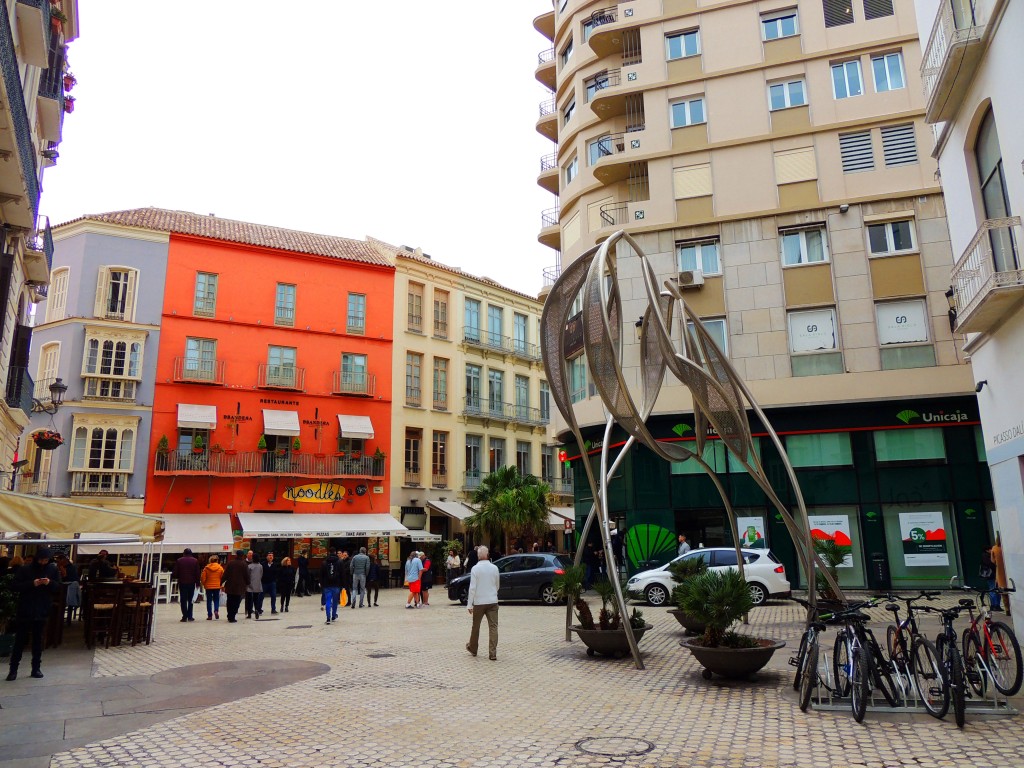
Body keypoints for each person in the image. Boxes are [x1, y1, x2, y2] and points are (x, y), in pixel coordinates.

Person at [6, 547, 60, 681]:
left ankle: (36, 668)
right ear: (37, 558)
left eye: (45, 560)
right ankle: (13, 670)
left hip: (42, 608)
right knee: (20, 640)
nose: (43, 563)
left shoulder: (52, 570)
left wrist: (49, 583)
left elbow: (58, 587)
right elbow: (14, 586)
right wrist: (32, 583)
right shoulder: (25, 569)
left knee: (37, 641)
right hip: (26, 608)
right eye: (41, 560)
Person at [465, 545, 500, 661]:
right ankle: (492, 653)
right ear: (488, 555)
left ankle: (473, 648)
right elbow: (497, 584)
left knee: (476, 626)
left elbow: (472, 588)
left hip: (479, 602)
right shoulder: (494, 568)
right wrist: (493, 593)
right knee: (493, 627)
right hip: (492, 601)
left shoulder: (475, 569)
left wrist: (470, 604)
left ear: (478, 556)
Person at [171, 548, 201, 622]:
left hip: (182, 582)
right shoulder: (195, 561)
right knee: (191, 599)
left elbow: (175, 573)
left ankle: (184, 616)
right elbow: (198, 573)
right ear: (191, 553)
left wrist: (178, 577)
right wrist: (198, 583)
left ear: (184, 553)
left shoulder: (179, 560)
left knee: (183, 599)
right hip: (191, 583)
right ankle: (190, 616)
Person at [223, 550, 249, 623]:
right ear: (243, 555)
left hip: (230, 586)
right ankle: (232, 616)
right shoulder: (244, 564)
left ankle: (229, 615)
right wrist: (248, 583)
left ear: (236, 555)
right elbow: (246, 575)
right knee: (236, 602)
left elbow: (226, 574)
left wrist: (221, 581)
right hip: (239, 587)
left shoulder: (230, 563)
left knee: (230, 601)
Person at [55, 553, 80, 625]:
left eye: (58, 561)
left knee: (61, 599)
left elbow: (64, 577)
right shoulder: (71, 566)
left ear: (63, 560)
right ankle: (64, 617)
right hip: (69, 587)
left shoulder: (67, 567)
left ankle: (59, 617)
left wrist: (61, 569)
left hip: (68, 587)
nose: (57, 563)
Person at [320, 549, 342, 624]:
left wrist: (322, 584)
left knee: (328, 601)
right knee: (335, 601)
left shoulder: (324, 563)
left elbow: (321, 575)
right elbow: (342, 574)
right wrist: (343, 584)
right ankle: (333, 615)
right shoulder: (339, 562)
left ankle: (328, 618)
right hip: (336, 584)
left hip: (327, 585)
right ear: (335, 553)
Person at [991, 535, 1011, 616]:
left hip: (1000, 573)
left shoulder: (995, 548)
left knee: (1004, 593)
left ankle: (1007, 609)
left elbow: (993, 561)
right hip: (1011, 571)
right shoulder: (1008, 547)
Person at [201, 554, 224, 620]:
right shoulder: (220, 568)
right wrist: (221, 585)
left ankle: (209, 615)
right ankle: (216, 610)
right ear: (217, 560)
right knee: (216, 599)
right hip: (217, 586)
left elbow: (203, 578)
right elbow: (222, 577)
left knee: (209, 601)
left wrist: (204, 584)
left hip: (208, 587)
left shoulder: (206, 568)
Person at [247, 553, 264, 620]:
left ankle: (249, 613)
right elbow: (261, 574)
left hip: (250, 584)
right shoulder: (260, 566)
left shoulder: (249, 566)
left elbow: (247, 575)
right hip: (257, 584)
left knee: (249, 599)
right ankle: (256, 609)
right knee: (256, 599)